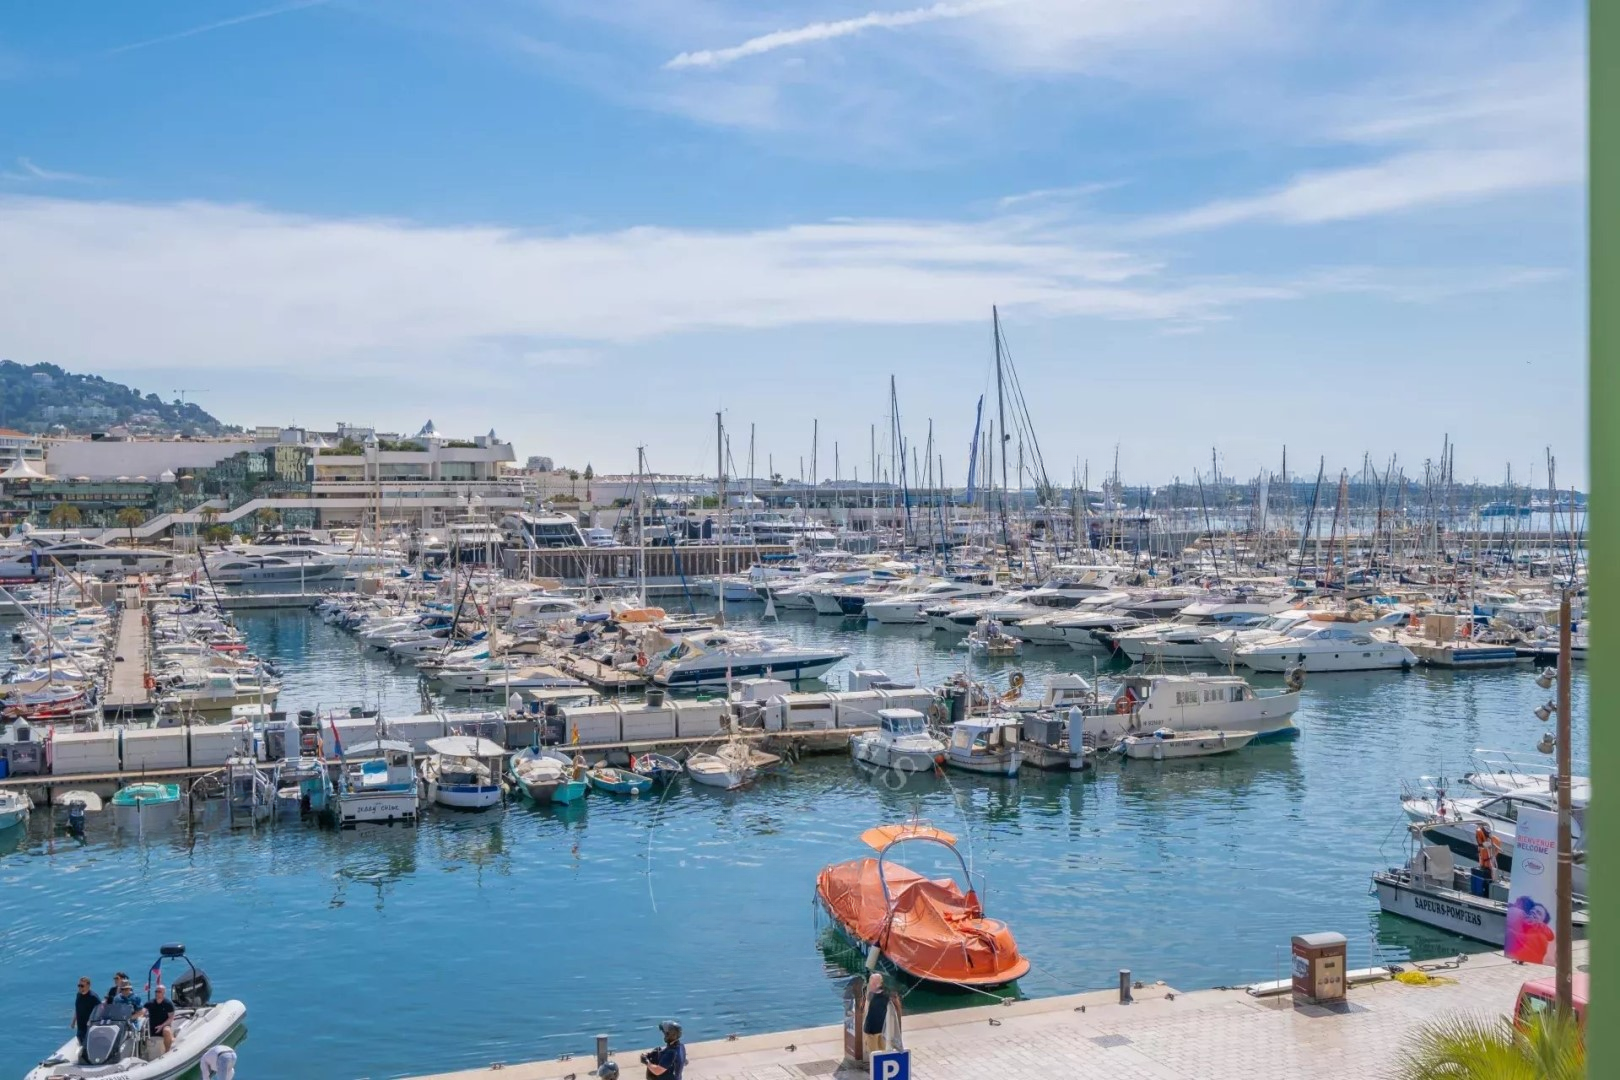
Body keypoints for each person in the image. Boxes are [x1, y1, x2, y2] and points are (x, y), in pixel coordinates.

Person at [862, 973, 896, 1056]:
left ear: (880, 983)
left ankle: (875, 1064)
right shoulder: (886, 994)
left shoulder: (871, 995)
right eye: (871, 983)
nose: (872, 985)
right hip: (882, 1028)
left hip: (873, 1030)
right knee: (882, 1051)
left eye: (874, 983)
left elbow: (865, 1010)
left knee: (873, 1053)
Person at [145, 985, 177, 1054]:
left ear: (163, 993)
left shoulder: (168, 1004)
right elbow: (143, 1012)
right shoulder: (150, 1003)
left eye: (159, 991)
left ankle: (167, 1051)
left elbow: (171, 1018)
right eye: (156, 991)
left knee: (166, 1030)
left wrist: (162, 1026)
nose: (157, 993)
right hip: (152, 1027)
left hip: (164, 1026)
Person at [71, 978, 100, 1048]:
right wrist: (73, 1021)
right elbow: (77, 1008)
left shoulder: (93, 997)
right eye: (79, 985)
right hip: (80, 1026)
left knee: (89, 1045)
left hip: (89, 1027)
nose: (80, 987)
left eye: (82, 986)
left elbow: (100, 1010)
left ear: (88, 986)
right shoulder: (78, 995)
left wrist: (92, 1020)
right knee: (80, 1040)